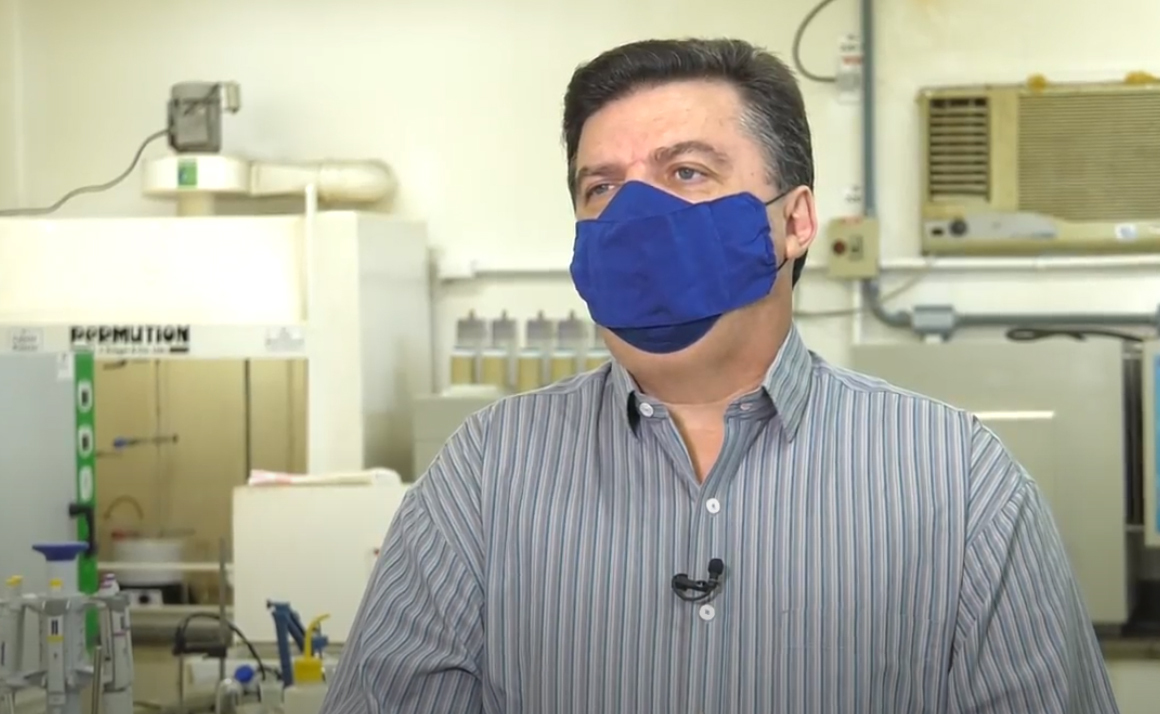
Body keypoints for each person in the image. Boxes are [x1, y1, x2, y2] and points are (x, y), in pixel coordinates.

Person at [320, 38, 1119, 713]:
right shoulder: (485, 474)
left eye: (687, 173)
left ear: (795, 222)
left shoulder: (960, 482)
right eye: (601, 188)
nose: (634, 218)